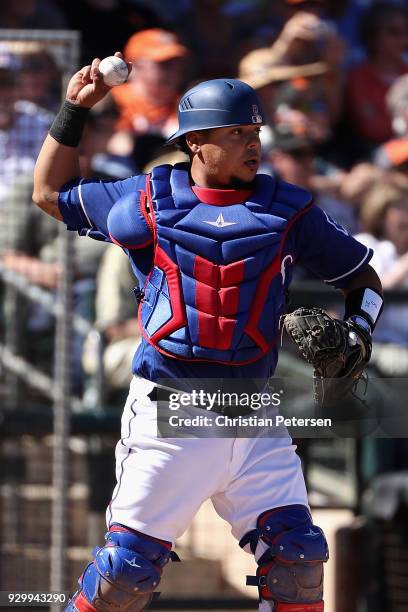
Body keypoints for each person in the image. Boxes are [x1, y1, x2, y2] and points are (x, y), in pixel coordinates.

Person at [33, 51, 384, 612]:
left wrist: (359, 334)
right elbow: (49, 194)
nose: (253, 143)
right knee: (124, 576)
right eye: (237, 132)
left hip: (254, 410)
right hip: (174, 410)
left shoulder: (286, 209)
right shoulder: (146, 198)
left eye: (256, 132)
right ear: (196, 141)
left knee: (298, 561)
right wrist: (74, 111)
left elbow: (362, 278)